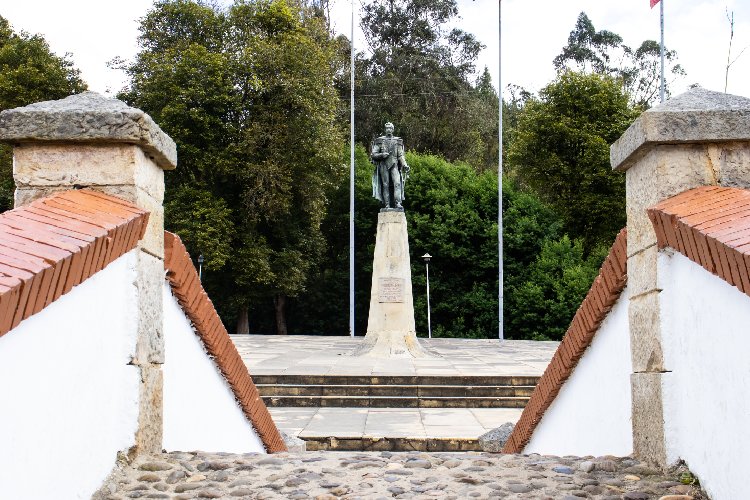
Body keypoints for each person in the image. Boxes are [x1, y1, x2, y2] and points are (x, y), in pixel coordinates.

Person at [371, 122, 410, 210]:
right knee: (385, 185)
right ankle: (387, 205)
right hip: (383, 165)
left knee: (397, 183)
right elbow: (373, 154)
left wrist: (405, 165)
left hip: (394, 165)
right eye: (387, 128)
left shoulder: (397, 141)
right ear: (385, 129)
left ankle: (398, 203)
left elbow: (400, 155)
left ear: (393, 129)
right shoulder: (380, 141)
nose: (388, 129)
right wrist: (382, 155)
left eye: (390, 128)